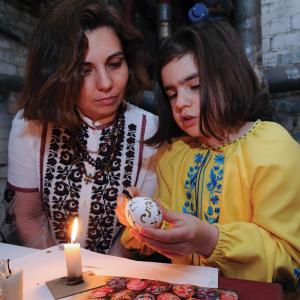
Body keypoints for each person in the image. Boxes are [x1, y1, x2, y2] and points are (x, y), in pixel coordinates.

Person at [116, 21, 300, 290]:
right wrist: (142, 220)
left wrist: (211, 240)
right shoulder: (174, 154)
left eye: (195, 85)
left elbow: (291, 264)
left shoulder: (273, 147)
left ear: (229, 77)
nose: (181, 103)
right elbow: (166, 239)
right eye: (172, 93)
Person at [0, 0, 158, 255]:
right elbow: (26, 217)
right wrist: (61, 280)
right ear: (56, 75)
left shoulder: (150, 131)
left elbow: (135, 236)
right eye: (84, 71)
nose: (106, 83)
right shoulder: (29, 125)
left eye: (114, 64)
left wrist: (102, 284)